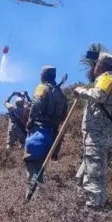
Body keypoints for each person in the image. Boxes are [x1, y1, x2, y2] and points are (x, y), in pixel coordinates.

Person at [73, 52, 112, 210]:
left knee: (94, 180)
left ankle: (94, 215)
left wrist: (81, 91)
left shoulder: (106, 78)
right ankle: (76, 212)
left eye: (95, 65)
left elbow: (98, 94)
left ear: (99, 66)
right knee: (81, 177)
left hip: (98, 139)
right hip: (105, 138)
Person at [23, 66, 68, 197]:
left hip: (39, 133)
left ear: (43, 76)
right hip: (53, 136)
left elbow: (35, 105)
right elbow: (64, 115)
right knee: (41, 167)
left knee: (32, 167)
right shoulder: (61, 93)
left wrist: (30, 122)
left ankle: (34, 201)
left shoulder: (42, 88)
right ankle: (41, 199)